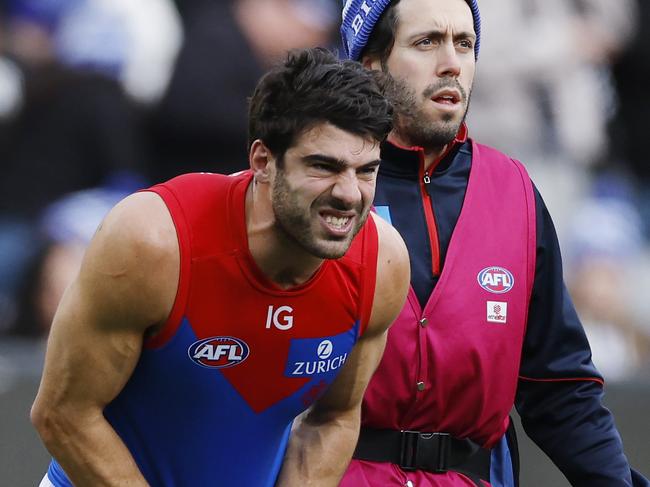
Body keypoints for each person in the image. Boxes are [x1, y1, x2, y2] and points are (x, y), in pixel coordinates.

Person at [30, 47, 410, 487]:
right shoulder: (155, 241)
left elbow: (336, 417)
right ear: (263, 161)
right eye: (324, 166)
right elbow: (62, 414)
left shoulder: (381, 263)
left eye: (366, 171)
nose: (349, 194)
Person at [339, 0, 650, 485]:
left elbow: (560, 387)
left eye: (465, 44)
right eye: (427, 42)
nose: (452, 63)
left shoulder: (515, 194)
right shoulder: (324, 185)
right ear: (371, 63)